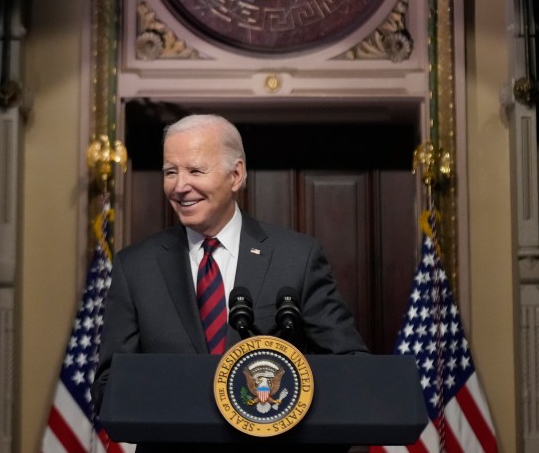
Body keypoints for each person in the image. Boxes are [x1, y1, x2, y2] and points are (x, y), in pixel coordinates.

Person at [92, 114, 368, 445]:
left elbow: (351, 370)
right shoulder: (136, 267)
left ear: (235, 175)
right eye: (170, 172)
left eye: (195, 171)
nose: (180, 186)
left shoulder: (296, 258)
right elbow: (109, 386)